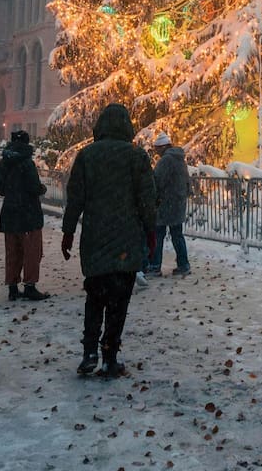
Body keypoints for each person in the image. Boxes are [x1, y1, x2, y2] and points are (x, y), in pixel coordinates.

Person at [61, 103, 156, 377]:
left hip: (94, 236)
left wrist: (68, 232)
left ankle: (88, 351)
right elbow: (147, 201)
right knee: (118, 302)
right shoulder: (136, 157)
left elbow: (75, 197)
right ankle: (109, 356)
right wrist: (150, 233)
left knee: (95, 297)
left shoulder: (86, 156)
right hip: (126, 240)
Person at [0, 130, 50, 302]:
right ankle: (30, 286)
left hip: (10, 213)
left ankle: (12, 288)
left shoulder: (4, 163)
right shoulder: (27, 163)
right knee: (31, 252)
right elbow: (34, 187)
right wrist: (42, 189)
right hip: (28, 214)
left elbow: (1, 190)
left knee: (13, 252)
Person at [146, 132, 191, 277]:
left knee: (158, 235)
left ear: (162, 147)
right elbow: (187, 181)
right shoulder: (180, 159)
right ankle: (184, 265)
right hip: (178, 204)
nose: (156, 152)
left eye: (157, 148)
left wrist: (152, 197)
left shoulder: (166, 161)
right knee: (177, 234)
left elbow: (156, 181)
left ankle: (154, 266)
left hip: (165, 205)